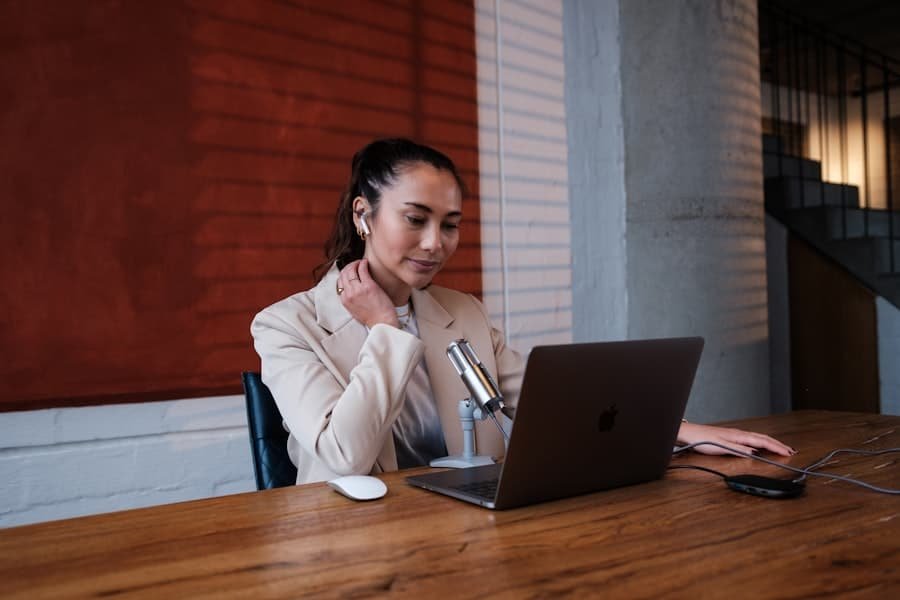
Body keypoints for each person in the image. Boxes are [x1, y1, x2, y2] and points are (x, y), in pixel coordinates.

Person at [251, 138, 795, 485]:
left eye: (451, 223)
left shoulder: (461, 311)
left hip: (468, 530)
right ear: (363, 215)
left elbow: (551, 399)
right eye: (416, 219)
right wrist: (385, 329)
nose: (436, 243)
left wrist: (686, 430)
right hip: (354, 548)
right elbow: (343, 455)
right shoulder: (285, 325)